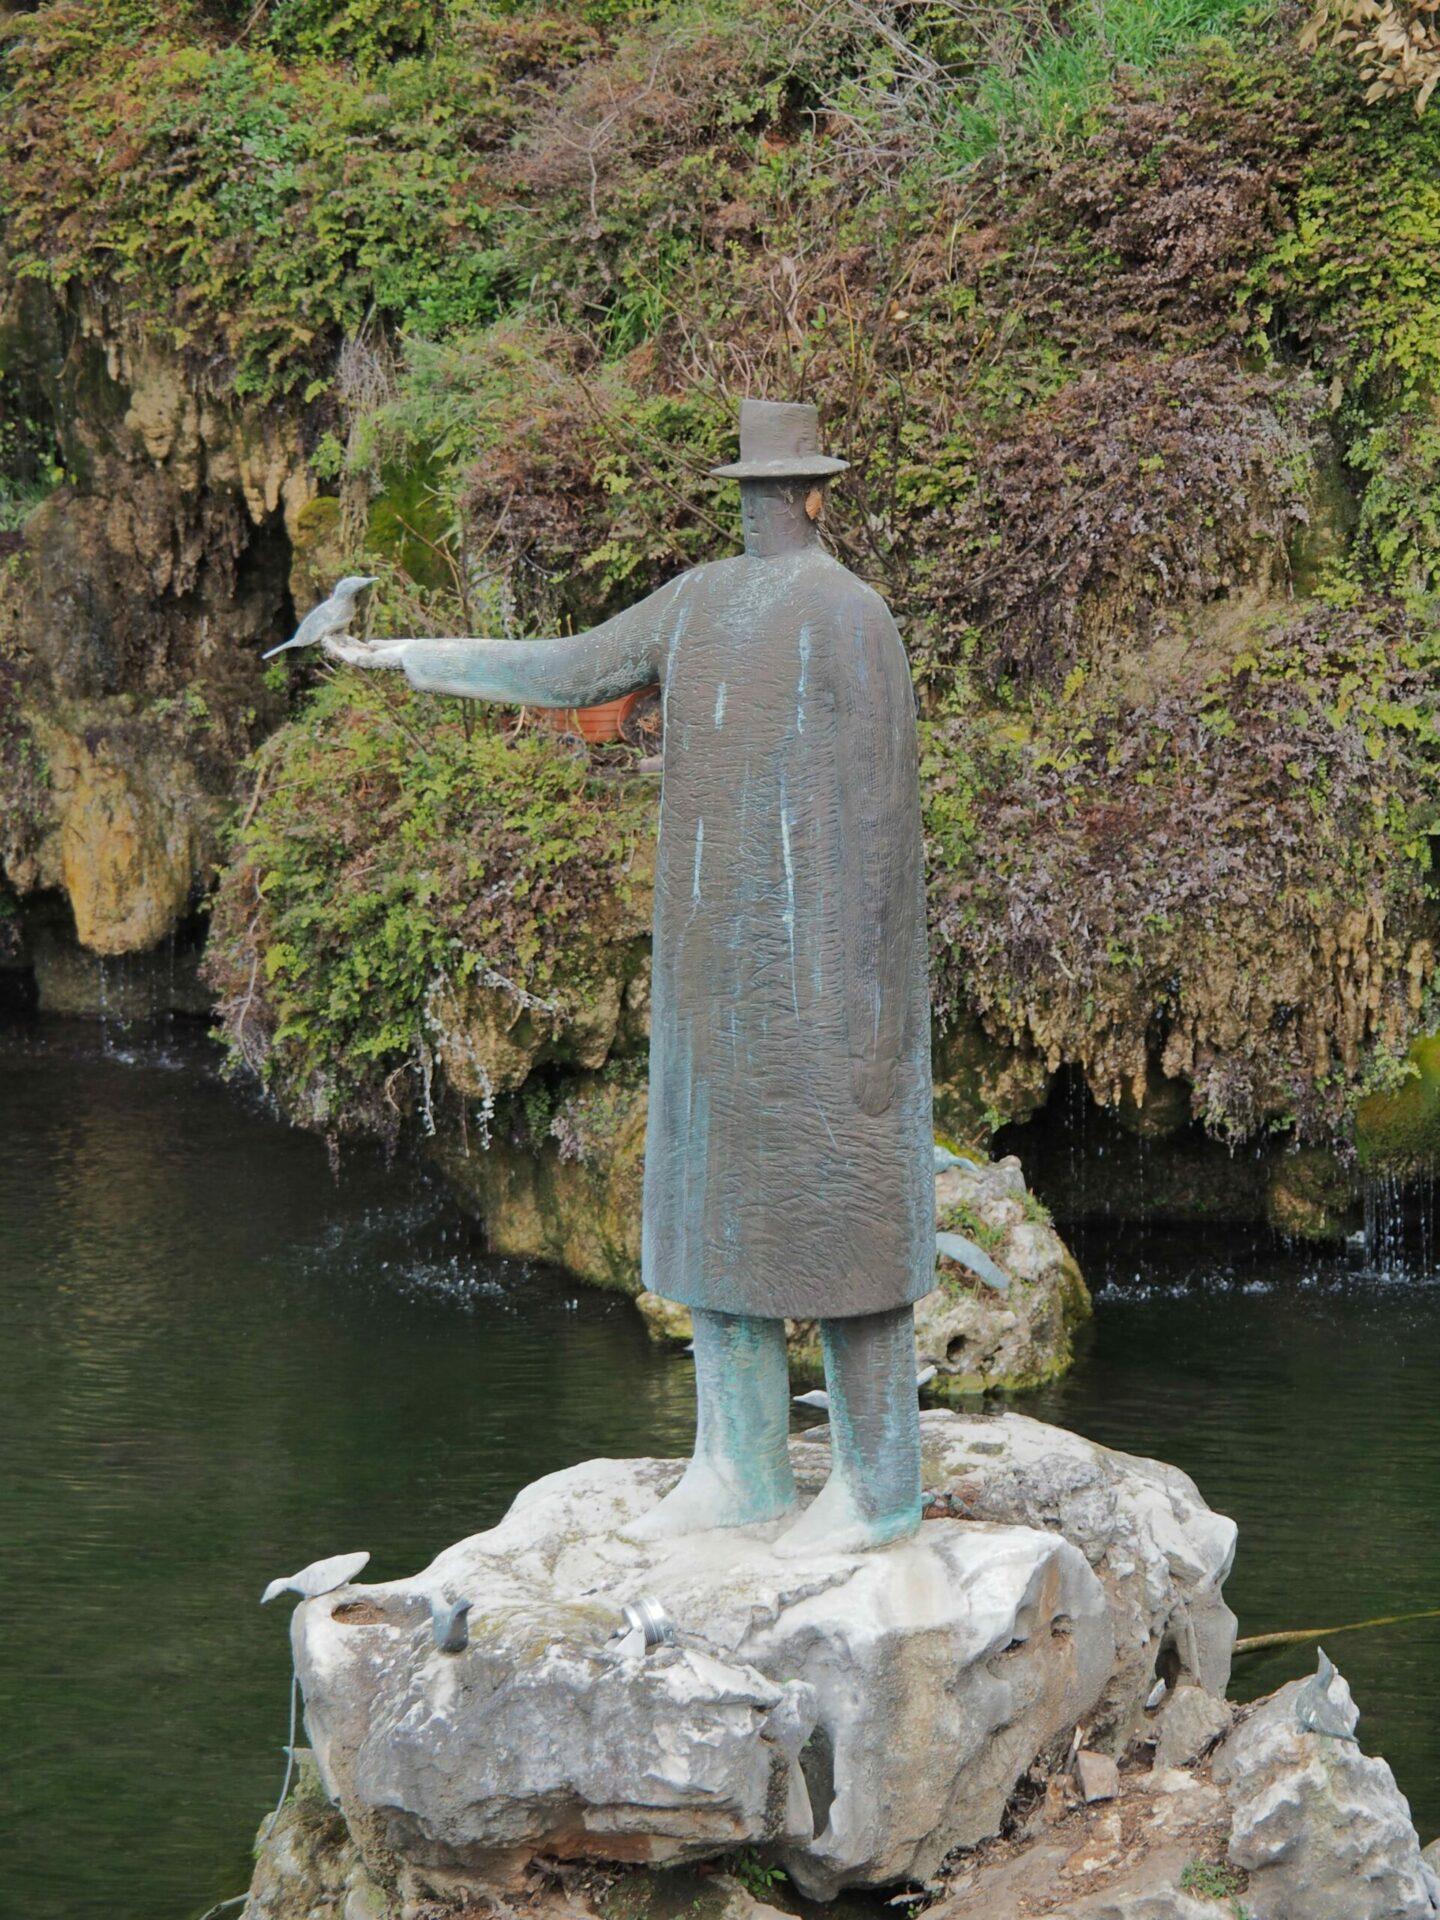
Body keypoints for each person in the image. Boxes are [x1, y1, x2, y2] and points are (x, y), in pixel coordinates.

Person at [326, 399, 933, 1555]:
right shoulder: (719, 603)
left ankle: (878, 1488)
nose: (775, 506)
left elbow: (879, 822)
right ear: (816, 493)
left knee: (846, 1213)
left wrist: (874, 1007)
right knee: (716, 1211)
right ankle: (740, 1467)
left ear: (781, 497)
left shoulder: (839, 616)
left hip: (823, 971)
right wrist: (415, 660)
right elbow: (573, 673)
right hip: (721, 963)